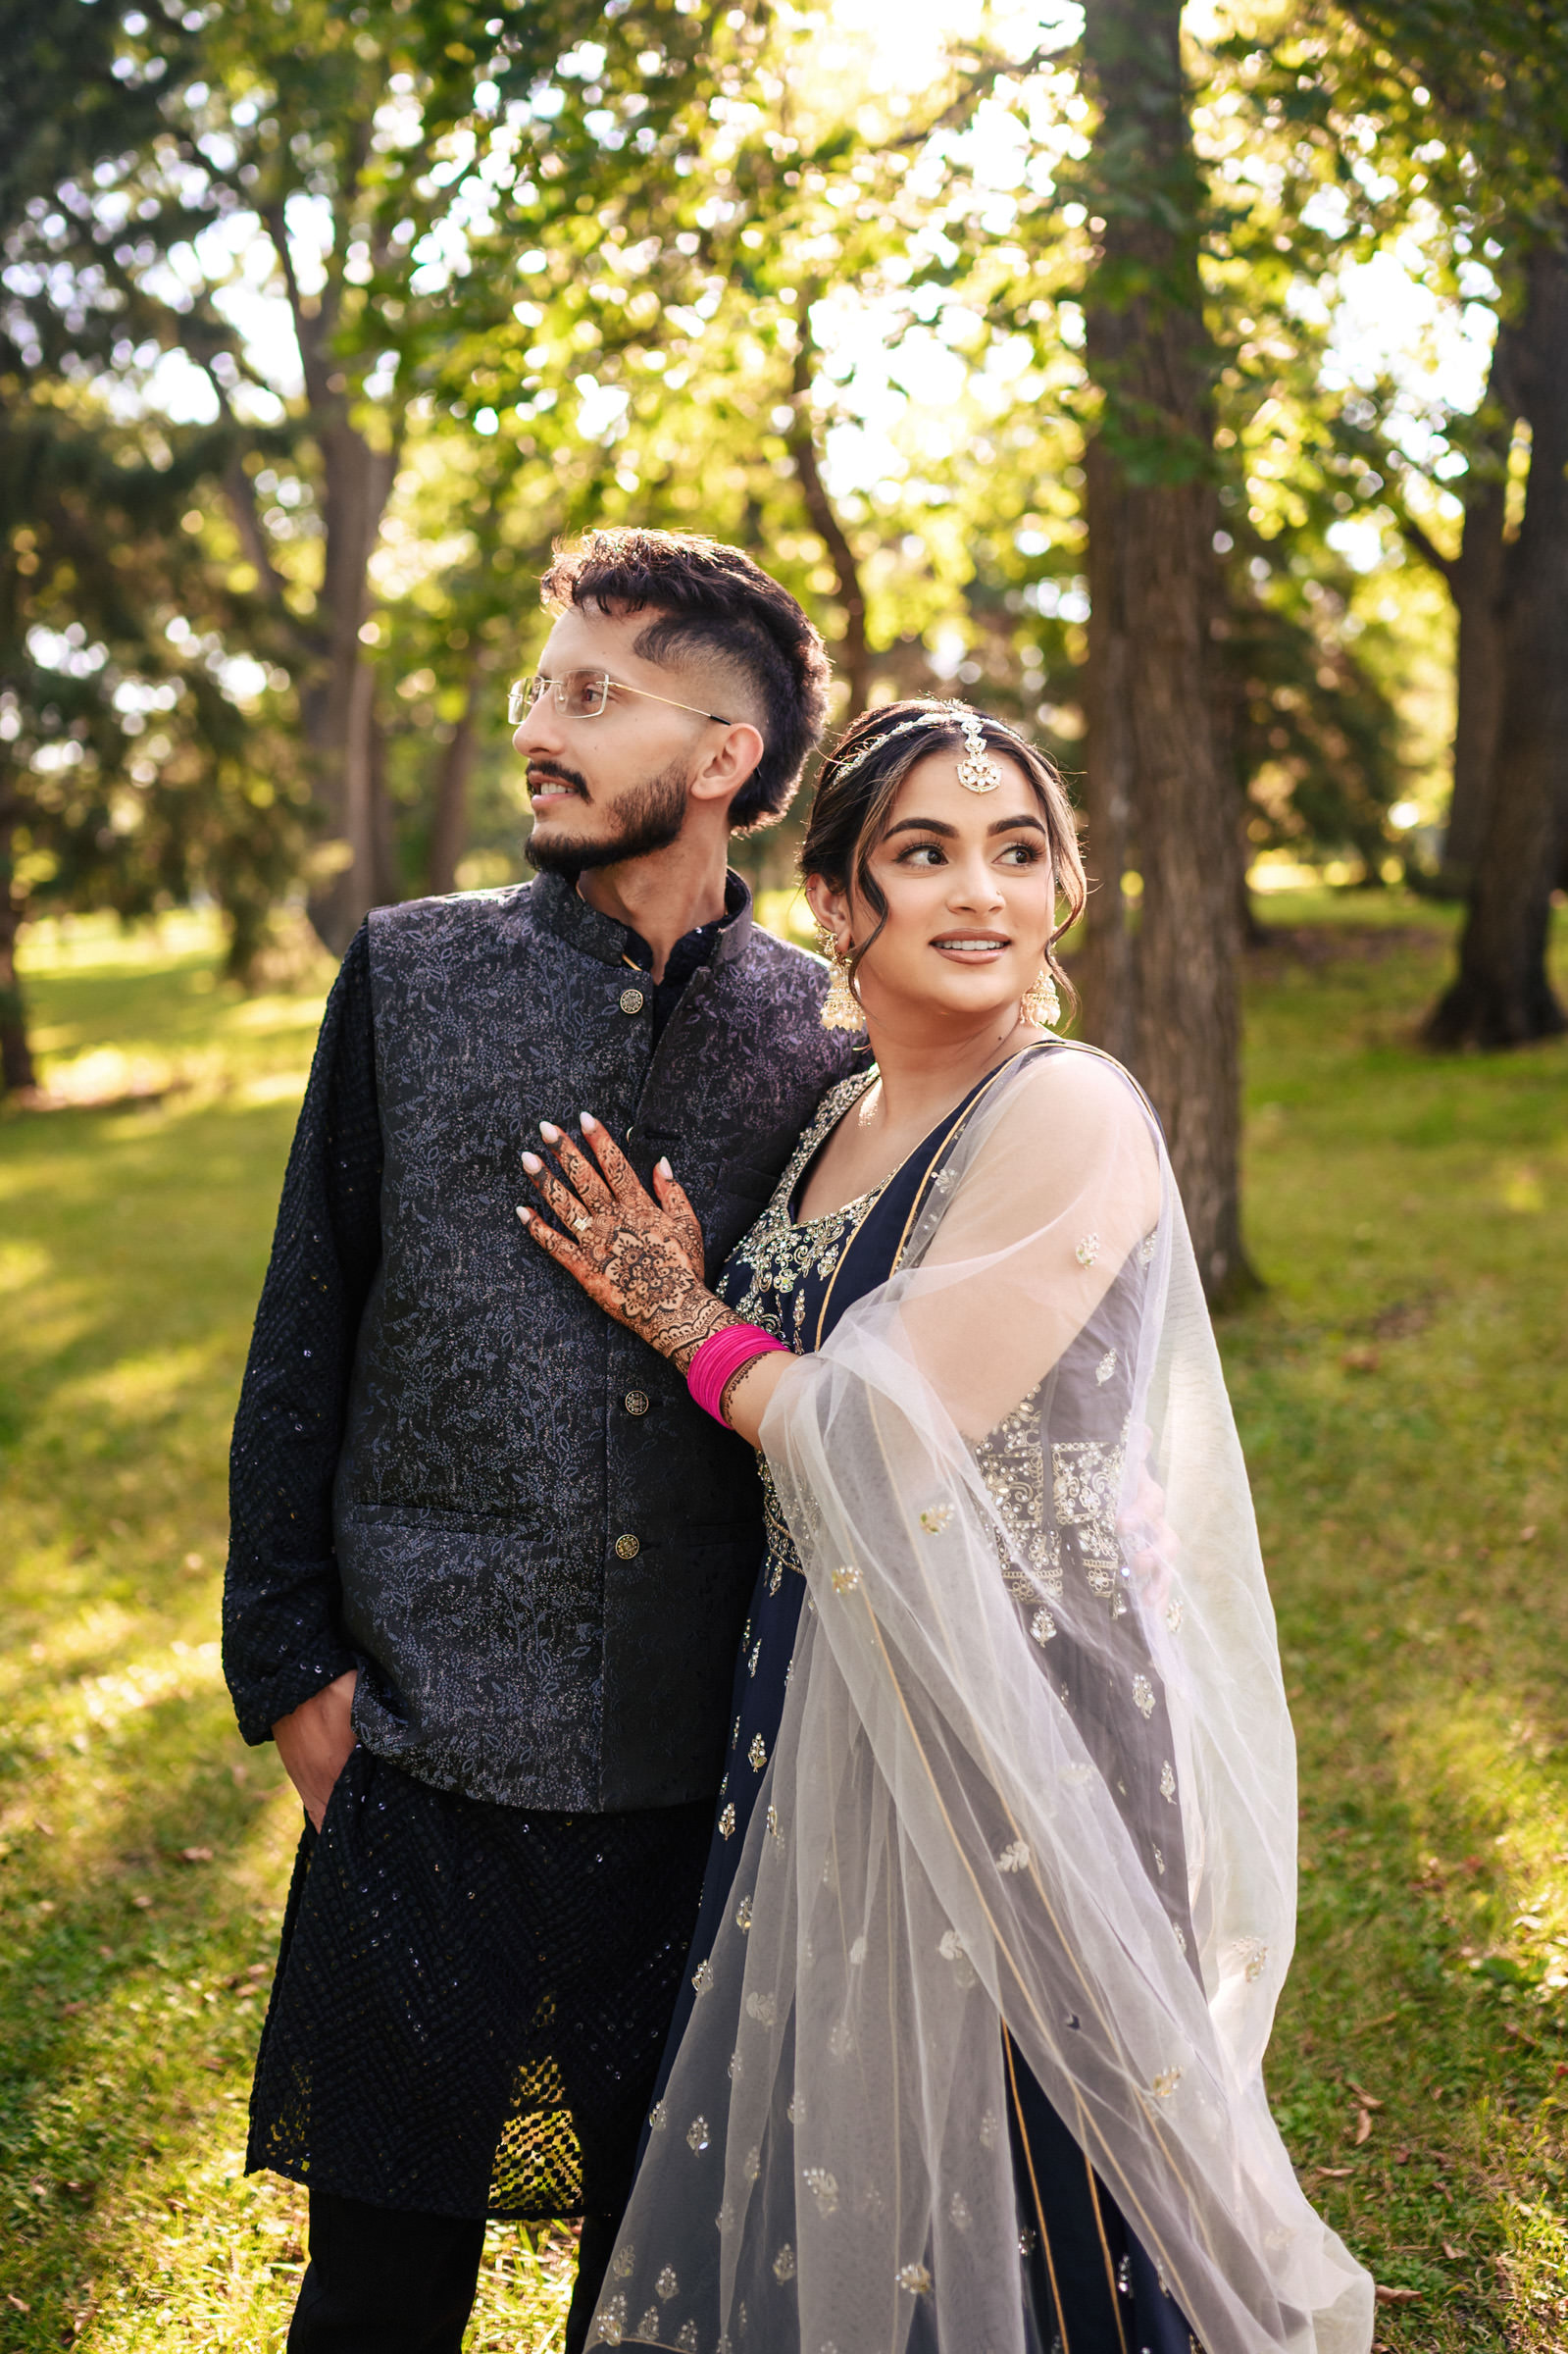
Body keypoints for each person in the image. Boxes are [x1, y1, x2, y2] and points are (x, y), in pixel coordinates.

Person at [519, 698, 1376, 2354]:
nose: (980, 890)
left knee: (1024, 2160)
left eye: (1018, 849)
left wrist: (687, 1322)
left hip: (1021, 1706)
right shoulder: (836, 1119)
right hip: (824, 1682)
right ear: (840, 902)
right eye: (925, 853)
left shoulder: (1067, 1111)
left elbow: (874, 1429)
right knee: (856, 2144)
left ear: (1063, 891)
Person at [222, 529, 861, 2354]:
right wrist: (287, 1668)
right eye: (540, 692)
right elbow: (303, 1330)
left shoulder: (819, 1033)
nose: (541, 732)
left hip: (701, 1790)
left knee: (658, 2291)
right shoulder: (411, 979)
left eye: (594, 696)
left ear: (723, 756)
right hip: (422, 1754)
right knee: (374, 2295)